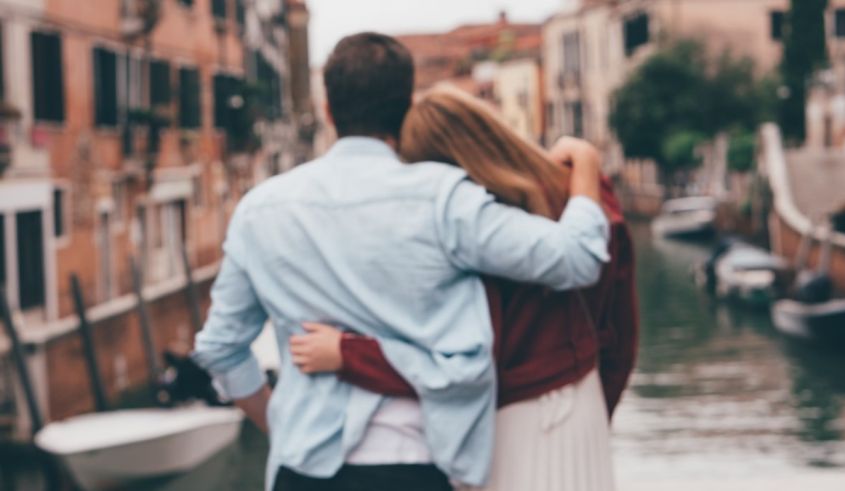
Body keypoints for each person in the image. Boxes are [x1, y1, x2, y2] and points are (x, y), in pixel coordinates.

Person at [192, 33, 611, 491]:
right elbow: (577, 258)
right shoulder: (443, 199)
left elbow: (220, 349)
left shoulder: (259, 210)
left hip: (303, 470)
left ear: (329, 110)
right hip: (416, 465)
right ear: (406, 105)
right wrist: (586, 167)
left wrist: (281, 426)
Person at [290, 87, 639, 491]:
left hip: (509, 425)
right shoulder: (586, 200)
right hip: (582, 408)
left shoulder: (466, 238)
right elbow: (620, 338)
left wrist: (347, 355)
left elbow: (461, 367)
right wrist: (597, 411)